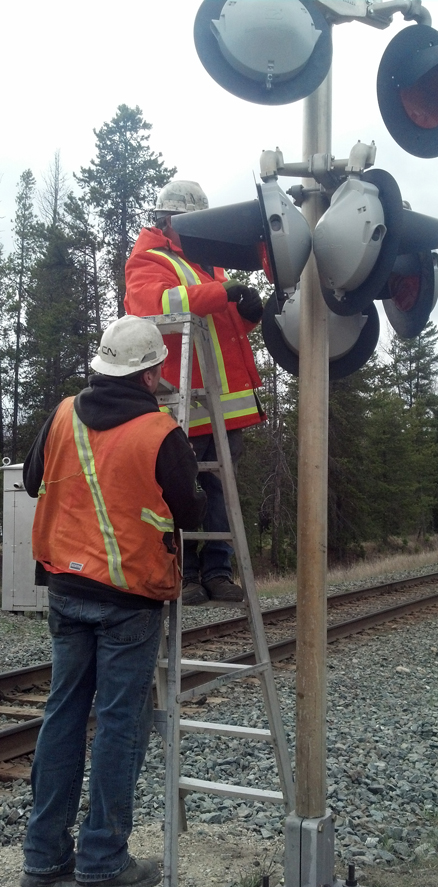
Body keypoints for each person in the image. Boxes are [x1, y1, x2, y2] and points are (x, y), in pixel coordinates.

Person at [20, 316, 207, 887]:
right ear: (150, 375)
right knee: (120, 724)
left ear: (103, 366)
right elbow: (191, 512)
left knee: (62, 716)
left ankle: (43, 859)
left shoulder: (62, 414)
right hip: (128, 597)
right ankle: (104, 861)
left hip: (66, 590)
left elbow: (33, 482)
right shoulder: (158, 433)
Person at [125, 179, 265, 607]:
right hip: (181, 404)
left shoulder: (209, 263)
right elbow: (154, 305)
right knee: (181, 491)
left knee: (220, 492)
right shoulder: (148, 258)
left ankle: (218, 573)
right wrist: (220, 292)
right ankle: (184, 575)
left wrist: (247, 316)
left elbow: (222, 331)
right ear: (169, 220)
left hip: (222, 406)